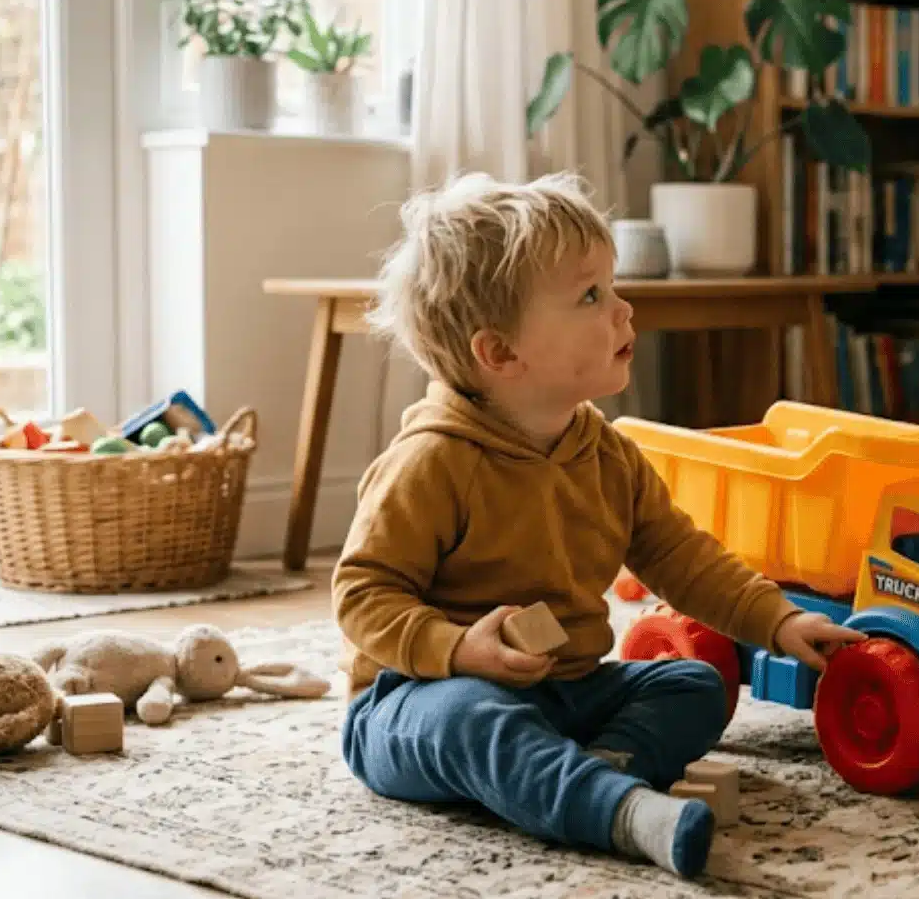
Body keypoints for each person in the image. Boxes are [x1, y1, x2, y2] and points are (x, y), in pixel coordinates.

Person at [332, 172, 861, 878]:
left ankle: (586, 776)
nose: (622, 309)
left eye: (611, 287)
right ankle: (623, 813)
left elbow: (681, 556)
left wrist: (778, 621)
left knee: (695, 685)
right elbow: (362, 595)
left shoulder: (606, 453)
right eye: (590, 296)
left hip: (563, 691)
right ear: (500, 353)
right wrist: (459, 650)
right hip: (420, 696)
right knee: (473, 720)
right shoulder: (432, 462)